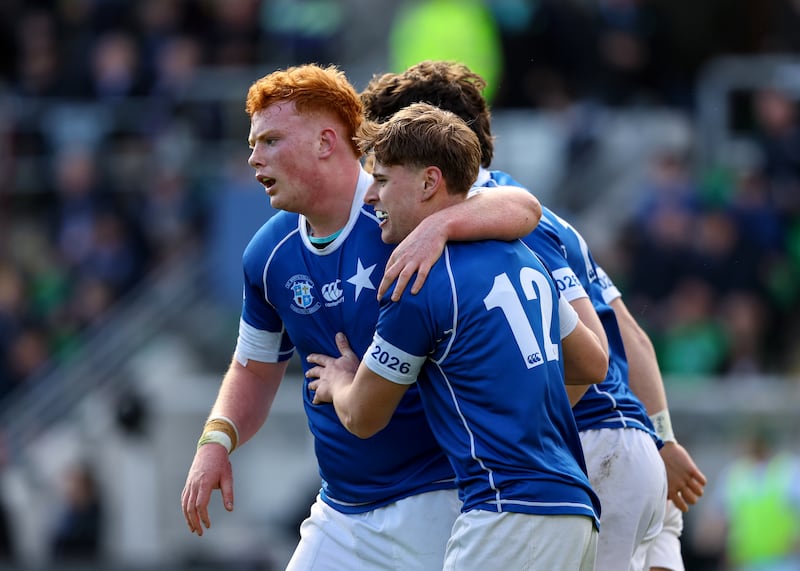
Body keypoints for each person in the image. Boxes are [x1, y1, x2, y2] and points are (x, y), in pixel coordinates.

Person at [180, 63, 543, 571]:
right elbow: (253, 367)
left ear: (326, 141)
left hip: (440, 495)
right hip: (341, 508)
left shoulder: (401, 205)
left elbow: (524, 206)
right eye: (252, 144)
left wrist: (439, 228)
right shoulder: (267, 254)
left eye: (270, 141)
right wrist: (216, 440)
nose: (253, 159)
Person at [361, 59, 708, 571]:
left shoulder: (501, 223)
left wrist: (525, 442)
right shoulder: (536, 215)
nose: (371, 186)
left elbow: (587, 356)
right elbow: (629, 333)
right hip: (627, 445)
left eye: (385, 151)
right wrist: (662, 436)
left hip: (589, 447)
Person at [307, 102, 605, 571]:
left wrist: (341, 380)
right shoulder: (524, 257)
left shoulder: (416, 281)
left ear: (429, 182)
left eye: (382, 180)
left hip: (507, 515)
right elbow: (592, 364)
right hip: (574, 510)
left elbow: (363, 416)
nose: (370, 198)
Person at [697, 423, 800, 570]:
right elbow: (714, 523)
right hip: (745, 563)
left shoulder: (789, 471)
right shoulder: (735, 474)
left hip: (784, 562)